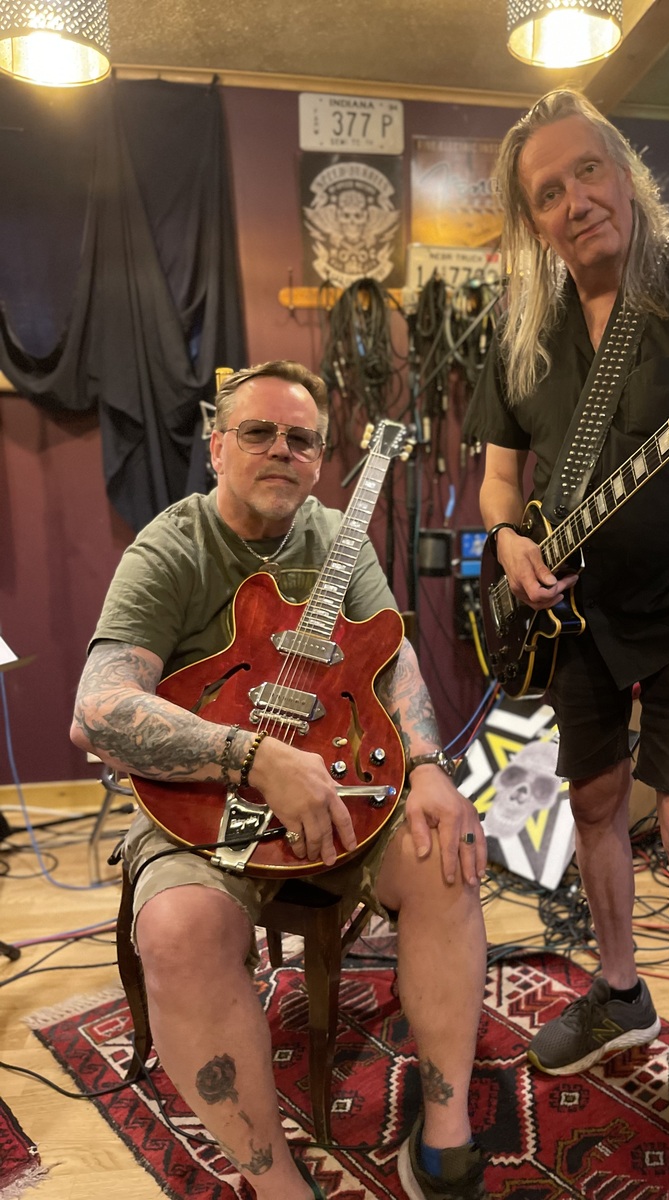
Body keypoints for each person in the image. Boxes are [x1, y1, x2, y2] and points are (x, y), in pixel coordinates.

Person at [462, 89, 669, 1182]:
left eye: (587, 171)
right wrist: (509, 542)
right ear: (532, 222)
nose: (574, 201)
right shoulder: (525, 328)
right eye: (546, 193)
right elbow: (499, 477)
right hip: (577, 611)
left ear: (626, 172)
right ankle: (619, 989)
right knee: (595, 801)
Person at [71, 360, 489, 1200]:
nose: (280, 450)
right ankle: (274, 1179)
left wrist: (431, 769)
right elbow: (98, 708)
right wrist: (254, 757)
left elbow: (395, 652)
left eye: (301, 439)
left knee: (446, 852)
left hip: (345, 780)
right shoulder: (172, 545)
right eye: (258, 432)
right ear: (216, 446)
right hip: (202, 806)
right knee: (180, 932)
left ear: (321, 459)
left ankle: (446, 1132)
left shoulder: (337, 535)